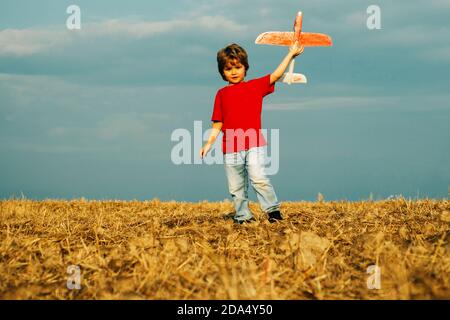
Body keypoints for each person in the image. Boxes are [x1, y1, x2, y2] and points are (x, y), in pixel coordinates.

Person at [200, 42, 304, 224]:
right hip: (230, 148)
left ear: (245, 68)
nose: (234, 72)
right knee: (236, 187)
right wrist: (209, 142)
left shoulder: (255, 87)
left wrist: (290, 55)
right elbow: (218, 122)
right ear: (222, 72)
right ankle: (243, 217)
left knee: (258, 178)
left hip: (254, 144)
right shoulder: (221, 94)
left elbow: (277, 74)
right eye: (228, 69)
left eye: (238, 67)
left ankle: (273, 213)